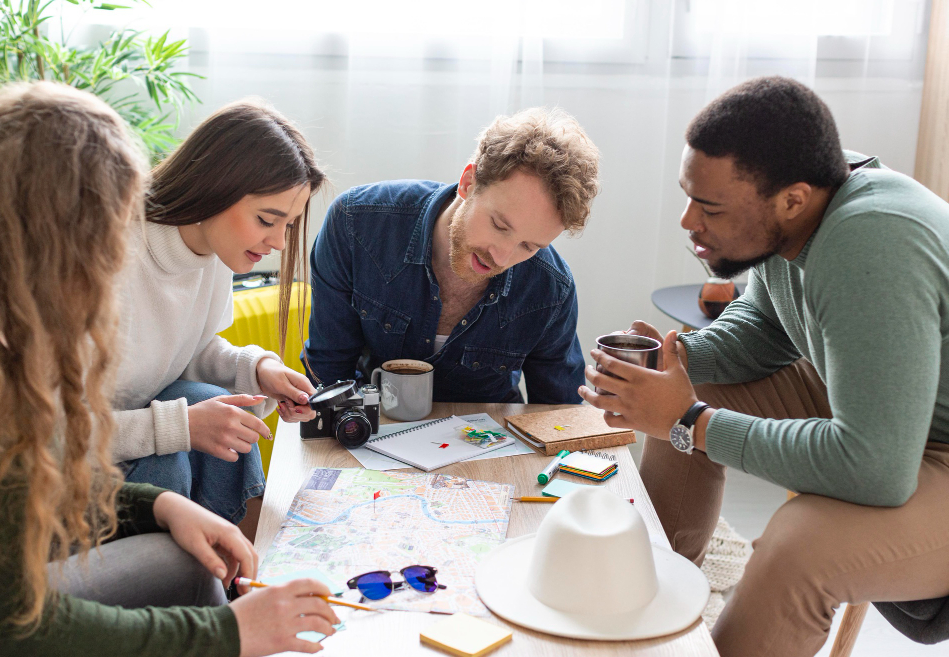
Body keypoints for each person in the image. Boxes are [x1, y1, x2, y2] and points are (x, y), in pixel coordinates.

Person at [0, 82, 339, 657]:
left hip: (0, 560)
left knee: (184, 549)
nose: (113, 261)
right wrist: (226, 635)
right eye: (107, 238)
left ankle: (237, 575)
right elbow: (12, 617)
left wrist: (154, 505)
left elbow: (23, 485)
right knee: (184, 556)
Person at [581, 76, 949, 656]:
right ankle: (646, 614)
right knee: (686, 383)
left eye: (709, 207)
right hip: (894, 420)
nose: (687, 221)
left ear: (792, 199)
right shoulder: (806, 207)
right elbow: (763, 331)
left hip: (920, 454)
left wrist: (690, 422)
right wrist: (674, 365)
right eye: (687, 196)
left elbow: (878, 468)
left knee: (798, 547)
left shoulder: (871, 243)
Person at [114, 100, 326, 532]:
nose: (280, 244)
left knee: (222, 411)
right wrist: (180, 426)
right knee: (172, 453)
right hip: (65, 467)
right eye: (268, 220)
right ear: (215, 186)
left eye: (288, 225)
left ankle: (246, 567)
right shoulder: (113, 257)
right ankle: (207, 587)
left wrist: (258, 369)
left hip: (128, 434)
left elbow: (187, 348)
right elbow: (46, 433)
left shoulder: (214, 252)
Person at [303, 108, 600, 403]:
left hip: (491, 440)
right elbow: (329, 374)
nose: (501, 257)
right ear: (468, 183)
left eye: (529, 246)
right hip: (374, 426)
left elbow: (560, 415)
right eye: (499, 226)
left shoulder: (551, 288)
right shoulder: (356, 224)